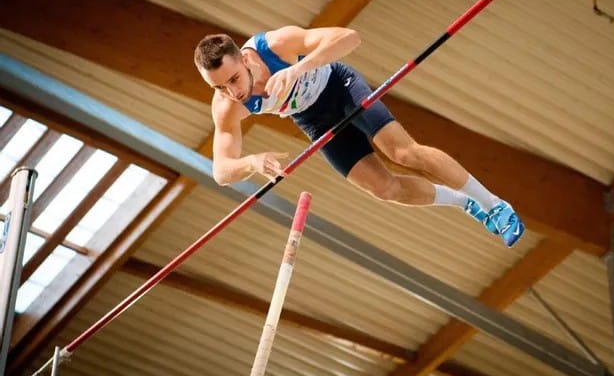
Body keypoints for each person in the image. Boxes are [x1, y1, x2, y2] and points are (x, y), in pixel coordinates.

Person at [194, 25, 524, 247]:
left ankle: (494, 204)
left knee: (403, 153)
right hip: (313, 119)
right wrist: (250, 161)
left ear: (244, 57)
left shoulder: (277, 45)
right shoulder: (226, 105)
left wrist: (298, 68)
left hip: (338, 87)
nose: (232, 92)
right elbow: (220, 171)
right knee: (384, 187)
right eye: (219, 87)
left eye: (234, 79)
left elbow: (350, 38)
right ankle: (465, 203)